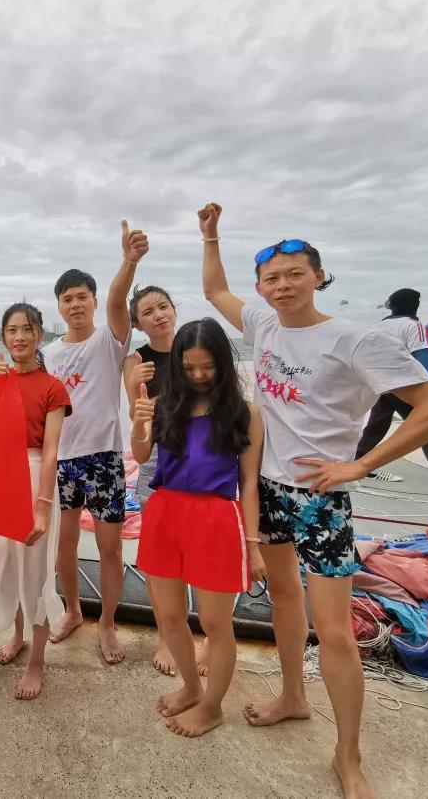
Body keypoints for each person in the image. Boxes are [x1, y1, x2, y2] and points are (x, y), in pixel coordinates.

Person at [199, 202, 428, 798]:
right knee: (283, 601)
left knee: (336, 630)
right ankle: (293, 696)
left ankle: (349, 755)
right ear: (261, 288)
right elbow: (214, 289)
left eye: (295, 274)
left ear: (318, 277)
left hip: (322, 498)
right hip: (269, 491)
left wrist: (362, 464)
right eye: (271, 278)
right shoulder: (264, 325)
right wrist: (211, 236)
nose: (282, 285)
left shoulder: (355, 339)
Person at [130, 318, 266, 737]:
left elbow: (249, 484)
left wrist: (253, 545)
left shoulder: (245, 413)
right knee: (171, 616)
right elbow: (141, 454)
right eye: (189, 367)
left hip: (216, 519)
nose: (199, 375)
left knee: (215, 622)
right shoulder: (165, 403)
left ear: (223, 363)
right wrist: (138, 422)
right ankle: (191, 687)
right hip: (165, 513)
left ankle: (212, 706)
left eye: (208, 366)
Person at [41, 219, 148, 663]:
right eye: (67, 299)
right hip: (62, 460)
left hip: (104, 457)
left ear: (93, 300)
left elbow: (120, 301)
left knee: (110, 547)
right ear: (59, 306)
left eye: (82, 297)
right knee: (64, 544)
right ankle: (72, 611)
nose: (75, 304)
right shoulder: (48, 353)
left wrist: (128, 262)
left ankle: (107, 622)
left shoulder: (110, 339)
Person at [0, 303, 70, 699]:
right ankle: (7, 639)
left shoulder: (53, 387)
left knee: (37, 573)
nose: (20, 337)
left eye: (27, 329)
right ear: (3, 336)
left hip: (37, 480)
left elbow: (51, 450)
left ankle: (37, 660)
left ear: (39, 335)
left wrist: (43, 505)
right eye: (12, 330)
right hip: (1, 481)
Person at [123, 285, 210, 677]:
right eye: (147, 312)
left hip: (202, 454)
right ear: (137, 323)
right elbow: (137, 417)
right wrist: (133, 385)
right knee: (159, 556)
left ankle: (209, 635)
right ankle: (166, 635)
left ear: (174, 309)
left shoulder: (194, 349)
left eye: (163, 307)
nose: (157, 315)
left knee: (203, 551)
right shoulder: (136, 360)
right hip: (159, 456)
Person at [357, 290, 428, 484]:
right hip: (406, 385)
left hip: (382, 384)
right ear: (414, 306)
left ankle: (356, 460)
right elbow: (422, 357)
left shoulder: (381, 325)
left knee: (376, 426)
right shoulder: (413, 325)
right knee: (426, 427)